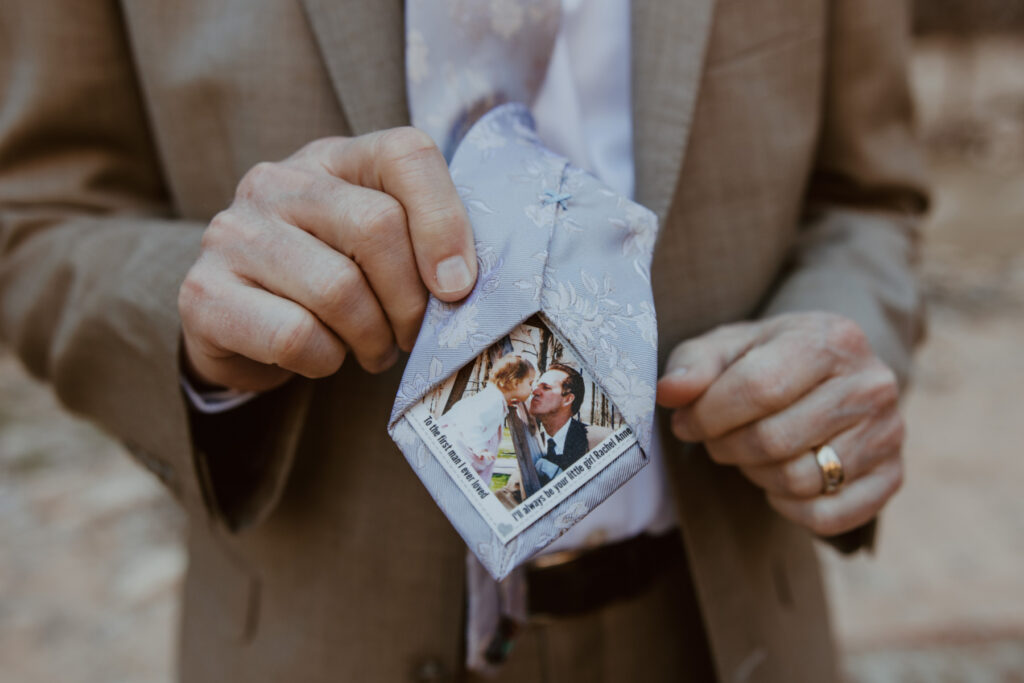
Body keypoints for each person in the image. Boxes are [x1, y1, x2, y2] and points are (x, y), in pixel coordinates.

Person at [0, 1, 927, 681]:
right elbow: (39, 219)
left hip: (724, 628)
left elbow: (866, 198)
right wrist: (206, 308)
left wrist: (833, 371)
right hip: (318, 636)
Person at [439, 354, 536, 484]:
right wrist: (480, 449)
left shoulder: (494, 398)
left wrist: (506, 403)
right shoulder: (493, 402)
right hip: (462, 448)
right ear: (515, 383)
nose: (532, 388)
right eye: (530, 383)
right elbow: (471, 422)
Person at [526, 363, 610, 484]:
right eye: (536, 386)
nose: (534, 391)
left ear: (567, 399)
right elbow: (510, 494)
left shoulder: (602, 440)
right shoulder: (533, 446)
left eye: (546, 387)